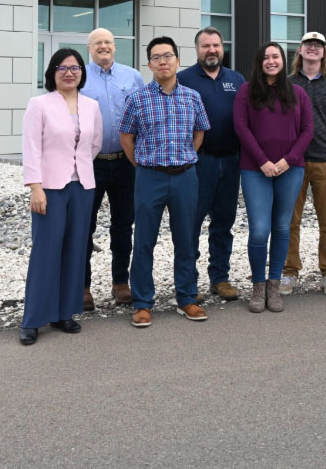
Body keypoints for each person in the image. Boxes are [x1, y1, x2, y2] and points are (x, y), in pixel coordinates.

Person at [120, 36, 211, 328]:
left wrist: (184, 158)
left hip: (185, 177)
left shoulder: (193, 97)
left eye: (168, 56)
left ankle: (187, 298)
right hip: (150, 177)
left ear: (178, 61)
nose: (163, 61)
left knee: (186, 239)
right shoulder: (137, 98)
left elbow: (199, 133)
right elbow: (126, 138)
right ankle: (143, 303)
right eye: (156, 57)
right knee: (144, 240)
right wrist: (145, 165)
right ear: (149, 64)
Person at [19, 48, 103, 346]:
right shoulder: (39, 104)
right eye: (62, 67)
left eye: (75, 67)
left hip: (82, 186)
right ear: (52, 73)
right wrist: (36, 187)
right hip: (50, 188)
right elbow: (31, 148)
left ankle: (64, 313)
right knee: (46, 251)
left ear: (82, 72)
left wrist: (77, 166)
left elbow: (94, 144)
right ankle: (33, 319)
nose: (69, 72)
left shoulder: (91, 105)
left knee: (76, 249)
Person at [234, 43, 314, 312]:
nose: (271, 61)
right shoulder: (247, 91)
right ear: (260, 62)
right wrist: (263, 162)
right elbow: (241, 128)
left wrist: (286, 161)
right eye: (266, 57)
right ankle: (257, 286)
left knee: (282, 227)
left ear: (283, 61)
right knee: (259, 229)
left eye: (276, 56)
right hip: (255, 169)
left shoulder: (298, 93)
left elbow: (307, 130)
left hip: (291, 169)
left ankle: (273, 286)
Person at [177, 27, 247, 300]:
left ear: (222, 47)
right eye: (205, 46)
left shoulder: (237, 79)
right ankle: (188, 281)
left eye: (216, 45)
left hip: (231, 162)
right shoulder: (183, 79)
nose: (211, 50)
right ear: (197, 50)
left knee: (223, 223)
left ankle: (220, 278)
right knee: (191, 224)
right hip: (198, 163)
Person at [281, 31, 326, 296]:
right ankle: (289, 272)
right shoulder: (287, 83)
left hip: (324, 160)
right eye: (308, 45)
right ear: (299, 50)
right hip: (293, 162)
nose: (312, 49)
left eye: (318, 46)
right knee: (290, 221)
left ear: (324, 53)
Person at [79, 27, 144, 310]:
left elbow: (144, 114)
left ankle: (121, 282)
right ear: (89, 49)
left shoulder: (133, 77)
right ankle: (82, 286)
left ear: (115, 47)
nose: (103, 46)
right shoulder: (79, 76)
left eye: (107, 42)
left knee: (122, 225)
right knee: (84, 226)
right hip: (89, 164)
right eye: (97, 43)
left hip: (125, 162)